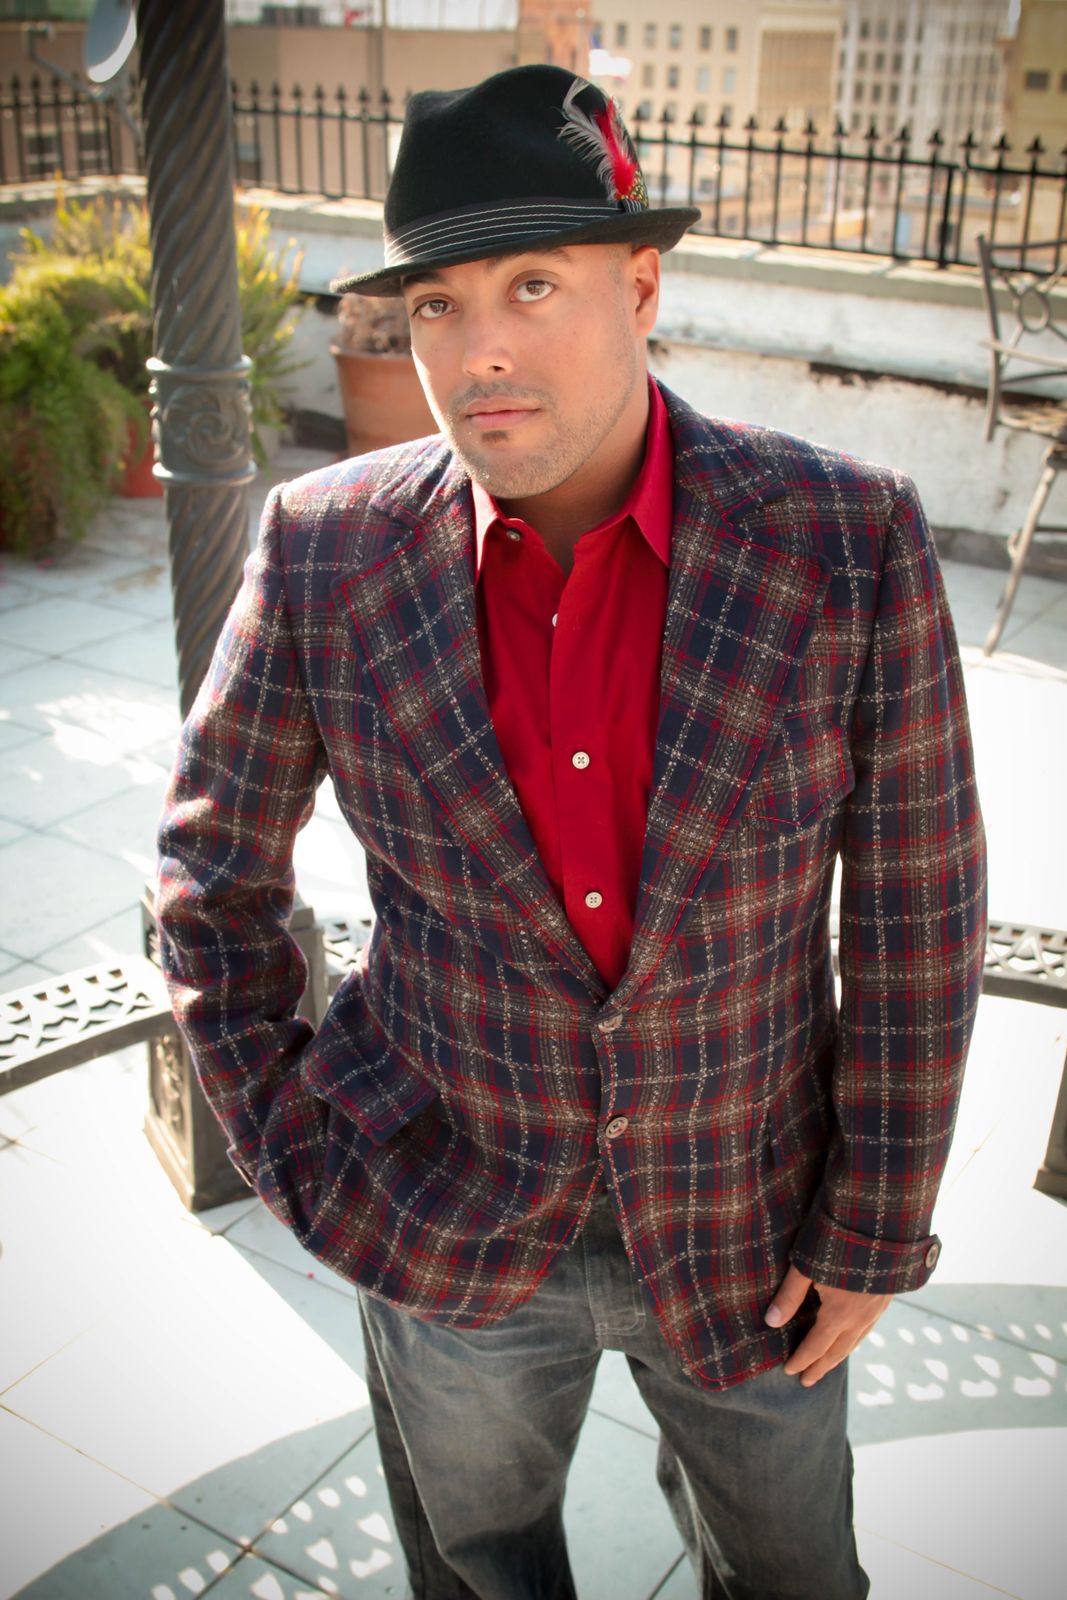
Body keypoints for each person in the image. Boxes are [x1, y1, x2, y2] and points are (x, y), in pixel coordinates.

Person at [157, 64, 987, 1600]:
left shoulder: (845, 539)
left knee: (799, 1577)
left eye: (533, 286)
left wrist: (878, 1224)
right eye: (437, 304)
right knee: (479, 1572)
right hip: (443, 1215)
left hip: (756, 1222)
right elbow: (212, 877)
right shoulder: (326, 548)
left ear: (641, 287)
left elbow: (918, 920)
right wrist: (303, 1163)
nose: (480, 350)